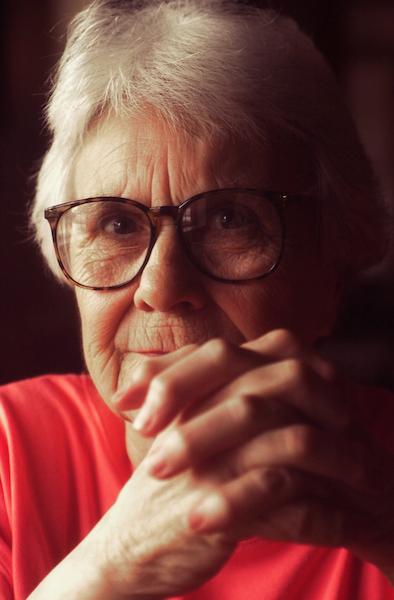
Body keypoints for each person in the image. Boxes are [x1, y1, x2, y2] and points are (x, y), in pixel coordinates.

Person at [2, 0, 394, 598]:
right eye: (114, 225)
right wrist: (110, 569)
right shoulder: (8, 456)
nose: (162, 289)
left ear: (332, 272)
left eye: (230, 219)